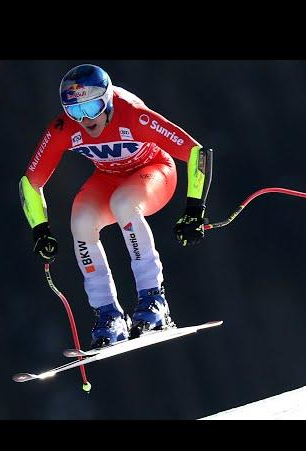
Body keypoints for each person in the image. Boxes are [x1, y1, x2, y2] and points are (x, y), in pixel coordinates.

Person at [19, 64, 213, 348]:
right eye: (76, 111)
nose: (85, 120)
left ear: (108, 99)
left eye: (93, 108)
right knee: (81, 221)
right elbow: (30, 182)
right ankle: (108, 315)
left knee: (124, 204)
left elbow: (197, 152)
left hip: (154, 171)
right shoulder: (63, 129)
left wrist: (194, 210)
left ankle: (153, 299)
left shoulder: (132, 115)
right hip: (108, 178)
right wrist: (40, 229)